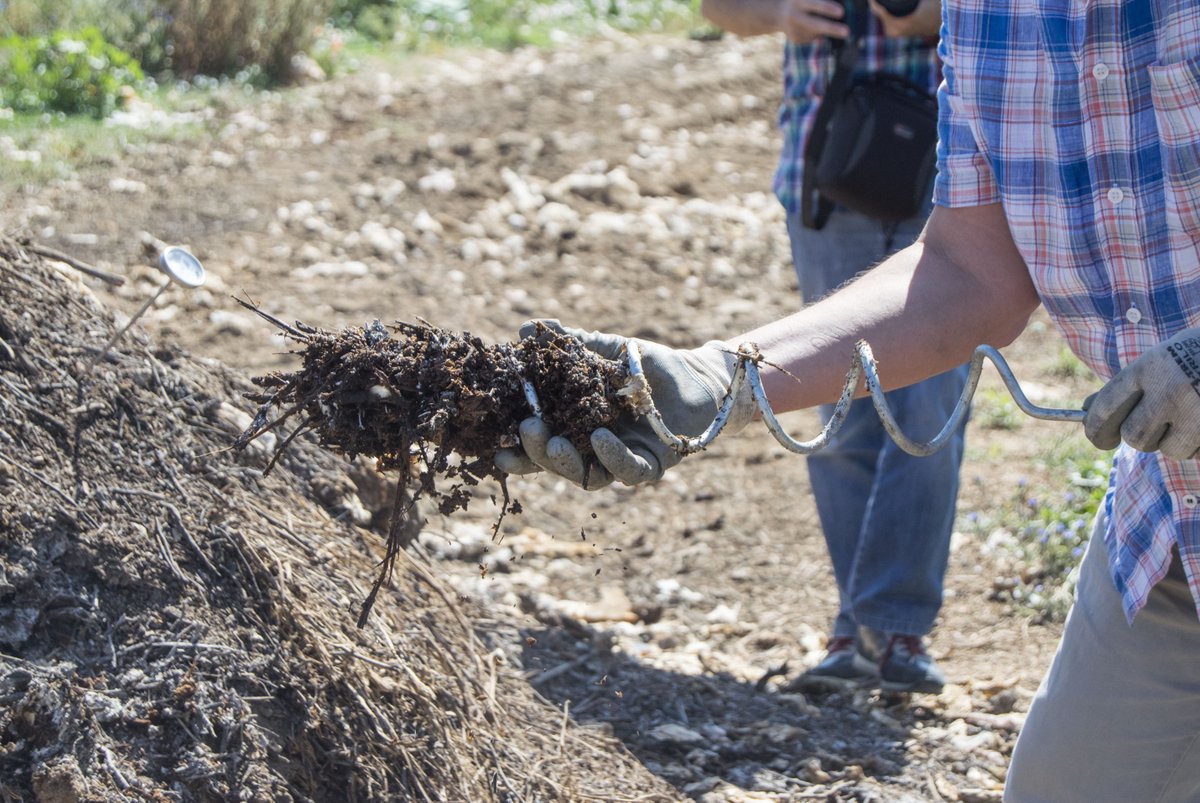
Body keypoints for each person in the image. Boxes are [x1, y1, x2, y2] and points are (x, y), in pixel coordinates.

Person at [497, 0, 1200, 797]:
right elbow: (971, 274)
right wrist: (722, 377)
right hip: (1171, 528)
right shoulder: (990, 17)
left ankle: (892, 621)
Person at [696, 0, 966, 695]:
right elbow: (716, 6)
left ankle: (892, 626)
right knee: (841, 411)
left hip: (957, 175)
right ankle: (860, 629)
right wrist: (783, 12)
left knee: (927, 410)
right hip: (830, 172)